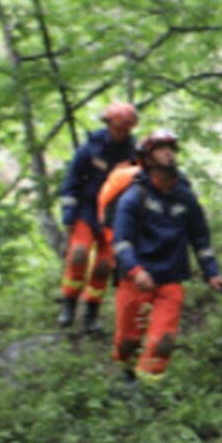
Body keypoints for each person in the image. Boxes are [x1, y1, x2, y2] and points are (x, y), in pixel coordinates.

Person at [111, 129, 222, 382]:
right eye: (160, 149)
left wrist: (212, 274)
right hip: (136, 280)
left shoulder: (185, 197)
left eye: (171, 148)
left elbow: (201, 239)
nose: (168, 154)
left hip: (170, 280)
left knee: (163, 340)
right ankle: (126, 379)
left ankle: (148, 391)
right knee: (128, 341)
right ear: (148, 158)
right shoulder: (134, 197)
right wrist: (135, 271)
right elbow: (121, 242)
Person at [56, 102, 139, 333]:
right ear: (109, 124)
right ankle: (68, 304)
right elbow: (71, 182)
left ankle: (91, 313)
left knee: (103, 265)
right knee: (79, 254)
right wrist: (69, 214)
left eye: (126, 128)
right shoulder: (90, 149)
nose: (121, 132)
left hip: (114, 215)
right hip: (86, 210)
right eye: (118, 127)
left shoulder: (134, 154)